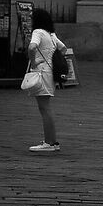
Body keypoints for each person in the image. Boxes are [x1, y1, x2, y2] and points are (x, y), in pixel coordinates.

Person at [22, 8, 66, 152]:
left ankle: (49, 143)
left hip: (41, 72)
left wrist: (34, 62)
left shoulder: (38, 32)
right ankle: (52, 141)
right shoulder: (51, 34)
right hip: (50, 73)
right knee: (45, 107)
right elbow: (63, 48)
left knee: (44, 108)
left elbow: (32, 47)